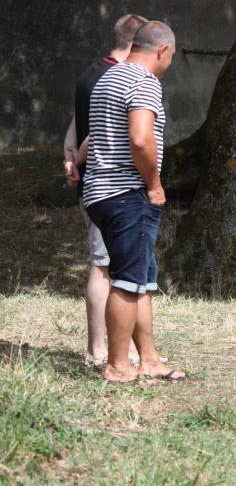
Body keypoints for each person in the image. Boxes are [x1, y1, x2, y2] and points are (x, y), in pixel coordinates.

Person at [83, 20, 185, 383]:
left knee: (140, 278)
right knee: (127, 281)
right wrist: (154, 185)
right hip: (128, 195)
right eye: (171, 56)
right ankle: (117, 365)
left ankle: (150, 359)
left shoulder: (108, 78)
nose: (169, 63)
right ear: (161, 51)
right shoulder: (144, 82)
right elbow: (141, 140)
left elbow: (93, 136)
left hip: (99, 193)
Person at [63, 14, 148, 369]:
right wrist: (78, 159)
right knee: (105, 267)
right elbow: (99, 131)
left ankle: (113, 347)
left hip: (93, 181)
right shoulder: (116, 76)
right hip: (110, 184)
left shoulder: (88, 74)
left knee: (111, 265)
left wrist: (69, 158)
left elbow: (75, 122)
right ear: (136, 43)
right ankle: (100, 350)